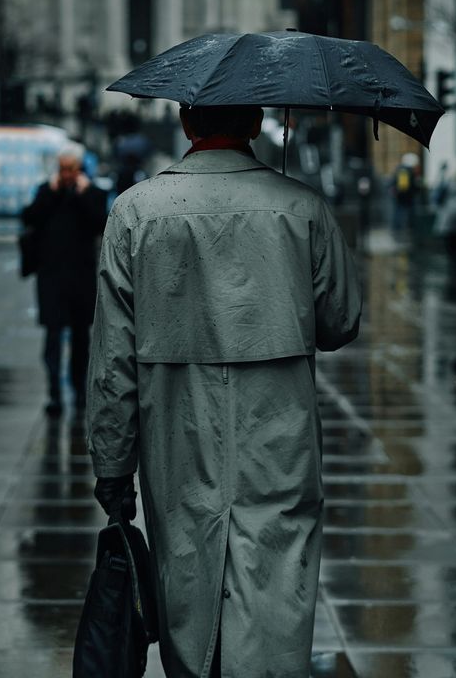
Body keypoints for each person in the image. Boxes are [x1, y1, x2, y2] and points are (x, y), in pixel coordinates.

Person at [86, 104, 362, 678]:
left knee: (188, 577)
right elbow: (339, 321)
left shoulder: (135, 213)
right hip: (280, 443)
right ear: (256, 122)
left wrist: (113, 466)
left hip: (179, 443)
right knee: (276, 588)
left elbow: (113, 363)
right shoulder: (303, 207)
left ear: (188, 124)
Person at [21, 143, 107, 417]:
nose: (67, 174)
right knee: (53, 337)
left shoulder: (92, 193)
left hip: (80, 277)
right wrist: (52, 192)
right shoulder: (47, 191)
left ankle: (79, 390)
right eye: (63, 169)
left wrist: (83, 194)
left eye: (71, 169)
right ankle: (54, 393)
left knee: (81, 338)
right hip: (52, 277)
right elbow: (30, 217)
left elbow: (100, 223)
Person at [391, 152, 420, 235]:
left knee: (399, 212)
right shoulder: (405, 170)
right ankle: (400, 231)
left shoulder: (402, 169)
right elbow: (403, 186)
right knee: (401, 213)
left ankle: (399, 230)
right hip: (404, 197)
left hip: (401, 196)